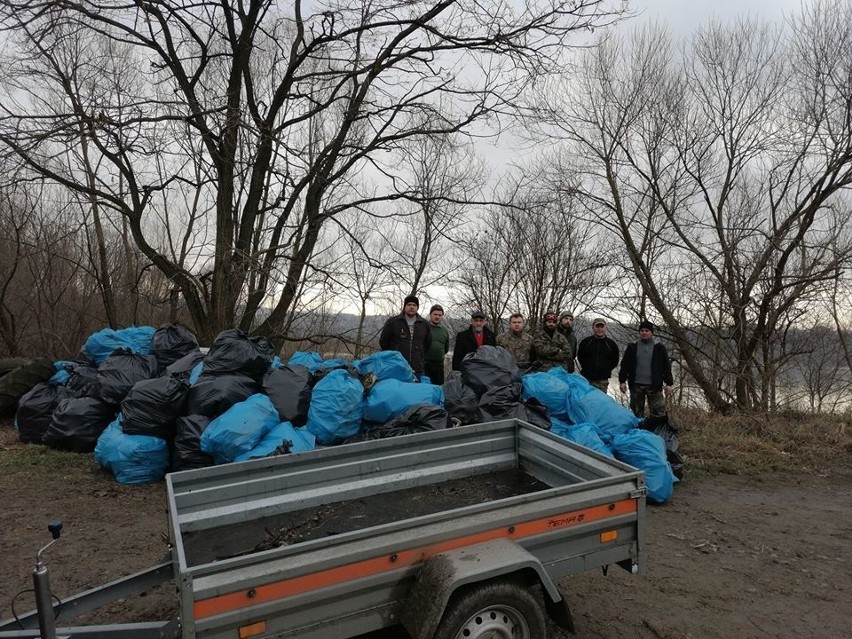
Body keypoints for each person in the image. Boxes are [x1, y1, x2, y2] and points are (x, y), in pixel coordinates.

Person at [618, 320, 674, 417]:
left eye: (647, 330)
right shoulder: (632, 347)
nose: (644, 332)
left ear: (652, 332)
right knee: (636, 414)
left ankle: (657, 430)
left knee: (659, 413)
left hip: (654, 386)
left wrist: (669, 383)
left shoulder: (659, 348)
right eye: (642, 330)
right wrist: (622, 381)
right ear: (639, 332)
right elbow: (624, 365)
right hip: (636, 386)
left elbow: (666, 366)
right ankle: (638, 431)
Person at [379, 295, 432, 380]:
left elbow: (428, 344)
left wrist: (420, 355)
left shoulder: (424, 324)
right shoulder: (393, 322)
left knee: (415, 392)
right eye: (409, 305)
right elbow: (383, 342)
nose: (411, 307)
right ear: (404, 307)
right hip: (396, 367)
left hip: (417, 368)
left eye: (414, 305)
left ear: (417, 308)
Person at [576, 317, 620, 393]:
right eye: (597, 327)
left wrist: (605, 370)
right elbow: (580, 357)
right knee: (585, 403)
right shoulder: (585, 342)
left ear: (605, 328)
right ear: (593, 328)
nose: (599, 329)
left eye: (602, 327)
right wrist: (587, 369)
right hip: (586, 379)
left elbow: (615, 361)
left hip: (602, 381)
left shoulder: (611, 344)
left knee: (600, 403)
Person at [424, 304, 450, 384]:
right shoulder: (423, 328)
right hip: (424, 365)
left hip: (439, 366)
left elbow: (446, 349)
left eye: (440, 315)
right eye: (435, 314)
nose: (437, 317)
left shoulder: (444, 331)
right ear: (430, 315)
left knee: (438, 389)